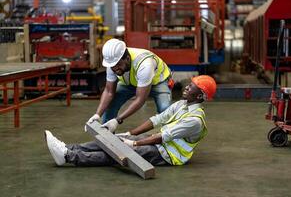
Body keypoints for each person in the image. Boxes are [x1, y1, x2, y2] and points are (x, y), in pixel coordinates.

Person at [45, 75, 217, 166]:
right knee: (114, 140)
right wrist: (129, 134)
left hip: (168, 155)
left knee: (118, 154)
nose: (187, 87)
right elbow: (157, 119)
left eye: (192, 86)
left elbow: (164, 136)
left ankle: (68, 157)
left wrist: (134, 144)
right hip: (159, 142)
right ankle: (67, 148)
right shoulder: (181, 104)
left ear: (200, 95)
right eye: (189, 84)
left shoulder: (195, 121)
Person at [87, 38, 173, 133]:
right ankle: (107, 136)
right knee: (110, 105)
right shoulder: (112, 64)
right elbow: (109, 92)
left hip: (157, 82)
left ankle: (166, 138)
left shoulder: (145, 64)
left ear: (127, 59)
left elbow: (140, 99)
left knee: (165, 109)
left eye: (118, 64)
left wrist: (118, 120)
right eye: (112, 66)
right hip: (131, 83)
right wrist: (97, 114)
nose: (115, 68)